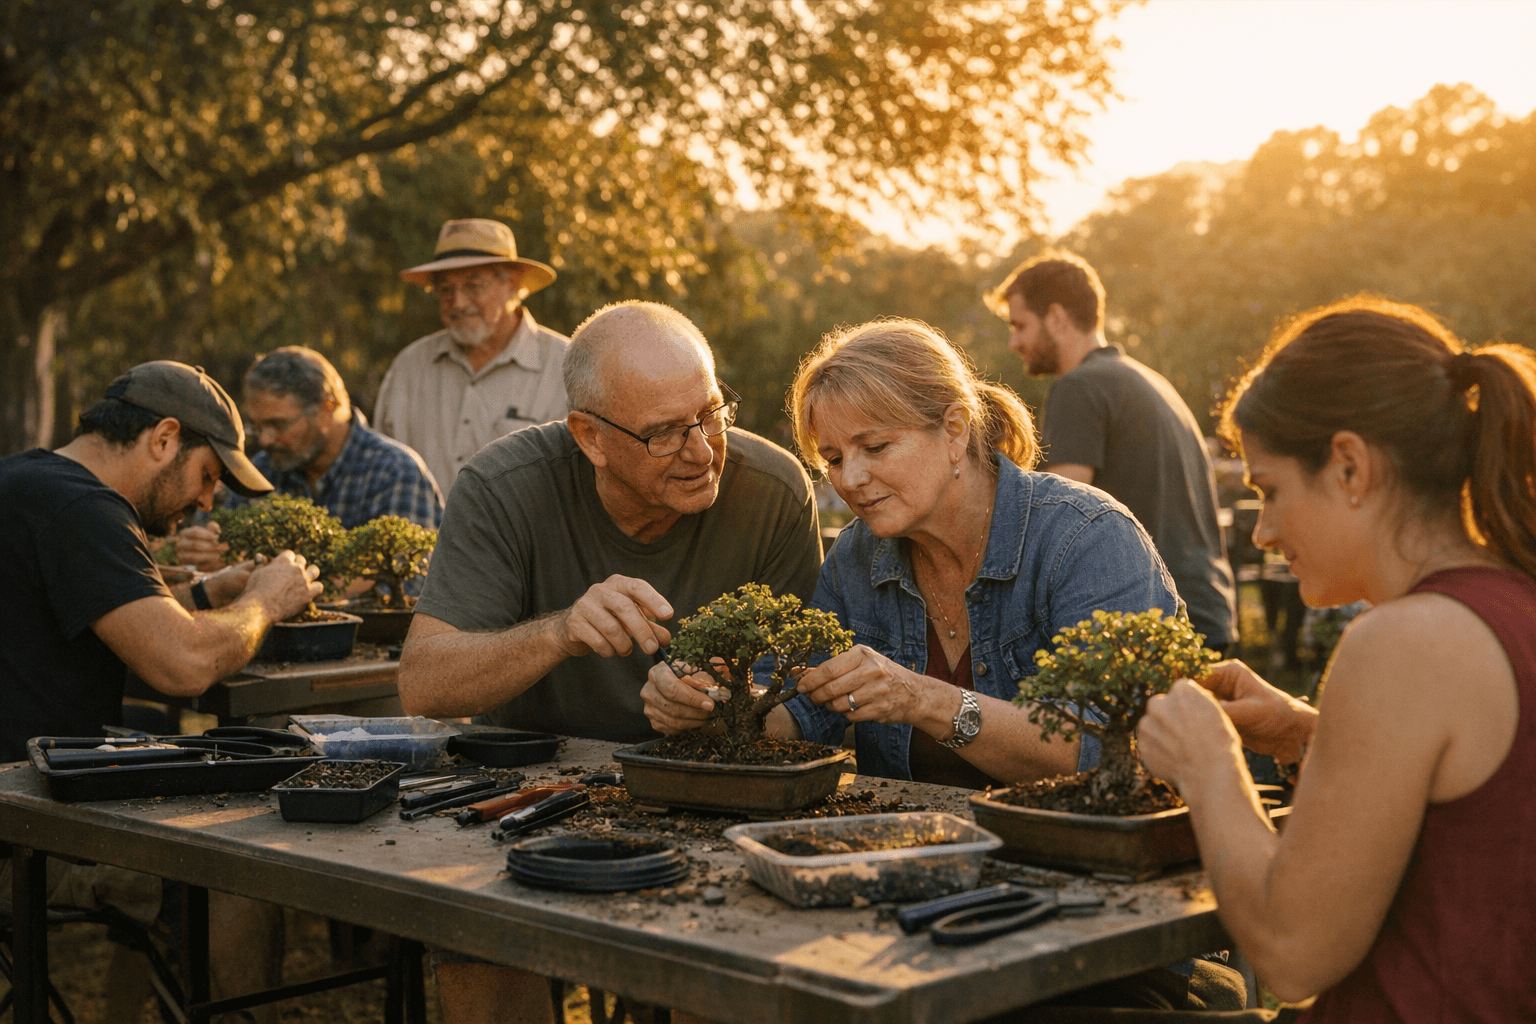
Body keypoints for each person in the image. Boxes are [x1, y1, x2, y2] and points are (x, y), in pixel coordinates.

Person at [643, 319, 1242, 1012]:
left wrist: (924, 700)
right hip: (920, 907)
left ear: (955, 430)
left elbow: (1112, 755)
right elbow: (797, 713)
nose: (851, 480)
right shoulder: (857, 561)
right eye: (833, 458)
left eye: (875, 447)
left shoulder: (1087, 540)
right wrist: (716, 707)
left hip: (1100, 917)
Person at [397, 301, 821, 1024]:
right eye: (663, 433)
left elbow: (808, 694)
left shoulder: (772, 491)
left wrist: (725, 704)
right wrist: (559, 632)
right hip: (533, 790)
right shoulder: (505, 488)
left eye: (711, 412)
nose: (701, 450)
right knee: (477, 942)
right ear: (588, 436)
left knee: (721, 952)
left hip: (706, 792)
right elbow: (424, 683)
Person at [1138, 298, 1536, 1021]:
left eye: (1270, 490)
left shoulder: (1403, 644)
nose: (1261, 533)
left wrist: (1208, 765)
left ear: (1350, 466)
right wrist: (1306, 734)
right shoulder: (1510, 603)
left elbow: (1292, 952)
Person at [0, 360, 324, 1023]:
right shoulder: (82, 509)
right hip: (23, 831)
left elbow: (96, 611)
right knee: (245, 863)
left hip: (27, 800)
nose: (208, 501)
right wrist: (264, 600)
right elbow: (182, 666)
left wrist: (210, 591)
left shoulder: (27, 479)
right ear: (163, 438)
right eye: (208, 476)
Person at [987, 251, 1238, 653]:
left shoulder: (1079, 388)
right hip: (1206, 612)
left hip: (1152, 622)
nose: (1014, 342)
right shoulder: (1149, 381)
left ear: (1056, 317)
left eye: (1019, 326)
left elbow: (1055, 522)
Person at [176, 346, 443, 572]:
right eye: (257, 427)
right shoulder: (263, 469)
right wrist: (203, 550)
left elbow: (406, 581)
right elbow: (220, 551)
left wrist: (250, 565)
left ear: (327, 408)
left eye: (279, 425)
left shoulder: (396, 471)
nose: (266, 440)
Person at [374, 217, 570, 492]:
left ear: (512, 284)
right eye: (445, 290)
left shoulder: (567, 367)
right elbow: (379, 468)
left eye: (473, 286)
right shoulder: (410, 366)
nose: (458, 303)